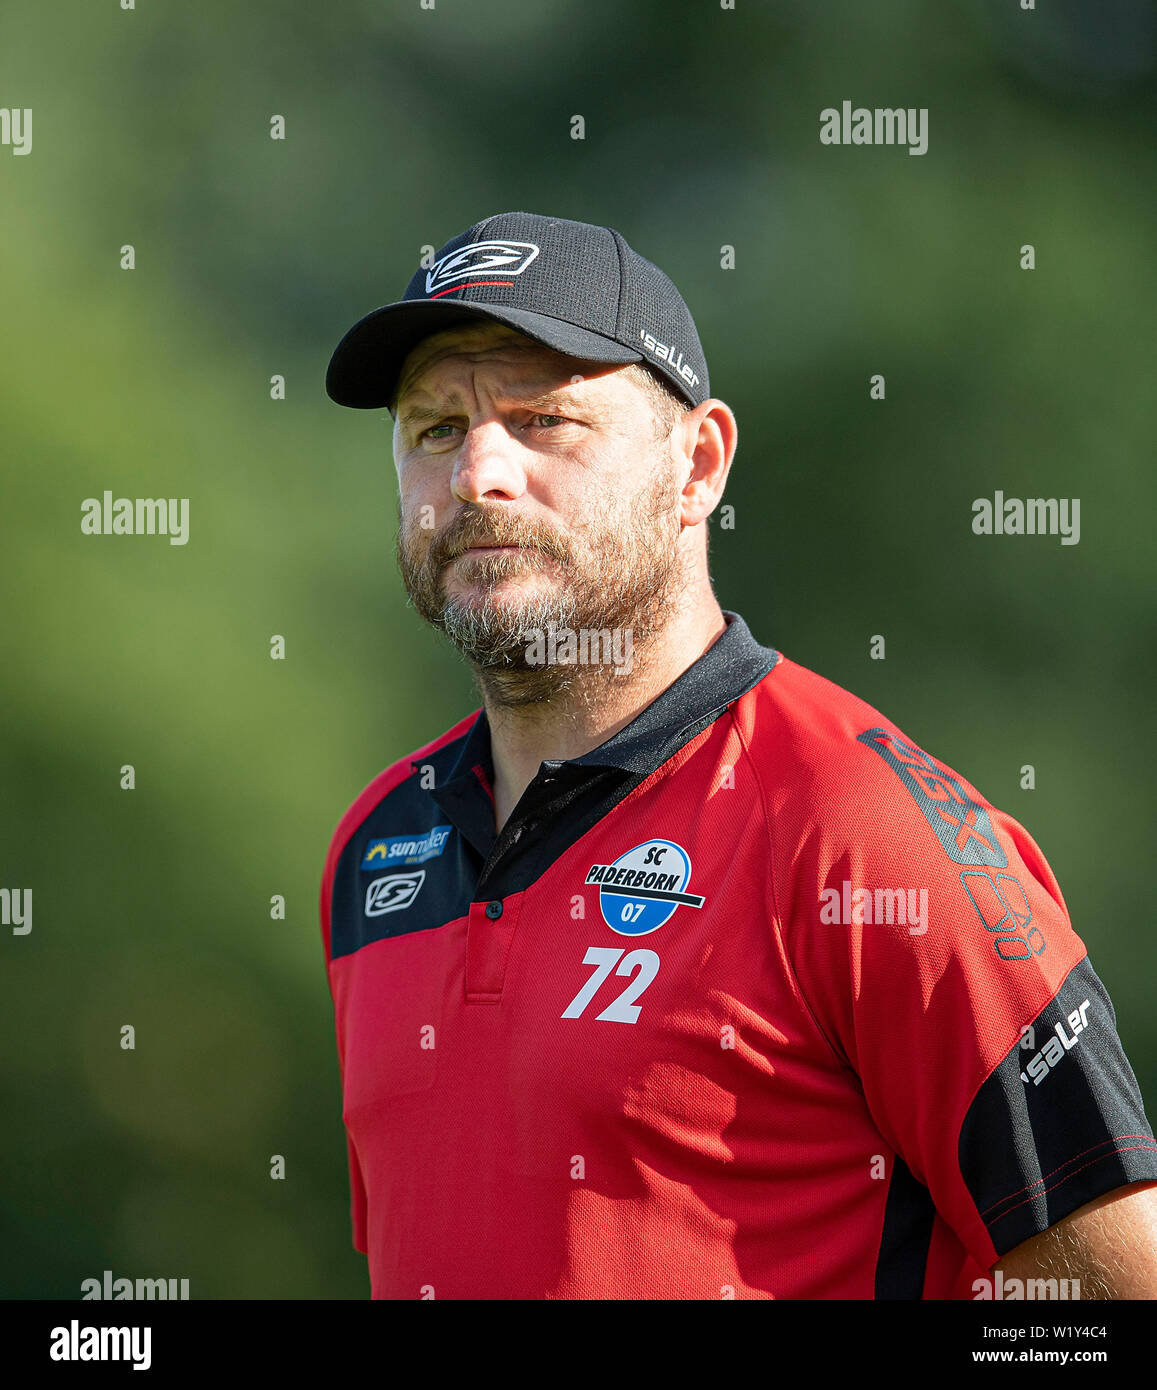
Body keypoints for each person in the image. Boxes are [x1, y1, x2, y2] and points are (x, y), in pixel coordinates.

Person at [319, 210, 1157, 1299]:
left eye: (543, 419)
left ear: (696, 466)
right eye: (435, 428)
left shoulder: (864, 828)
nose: (480, 471)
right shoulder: (378, 844)